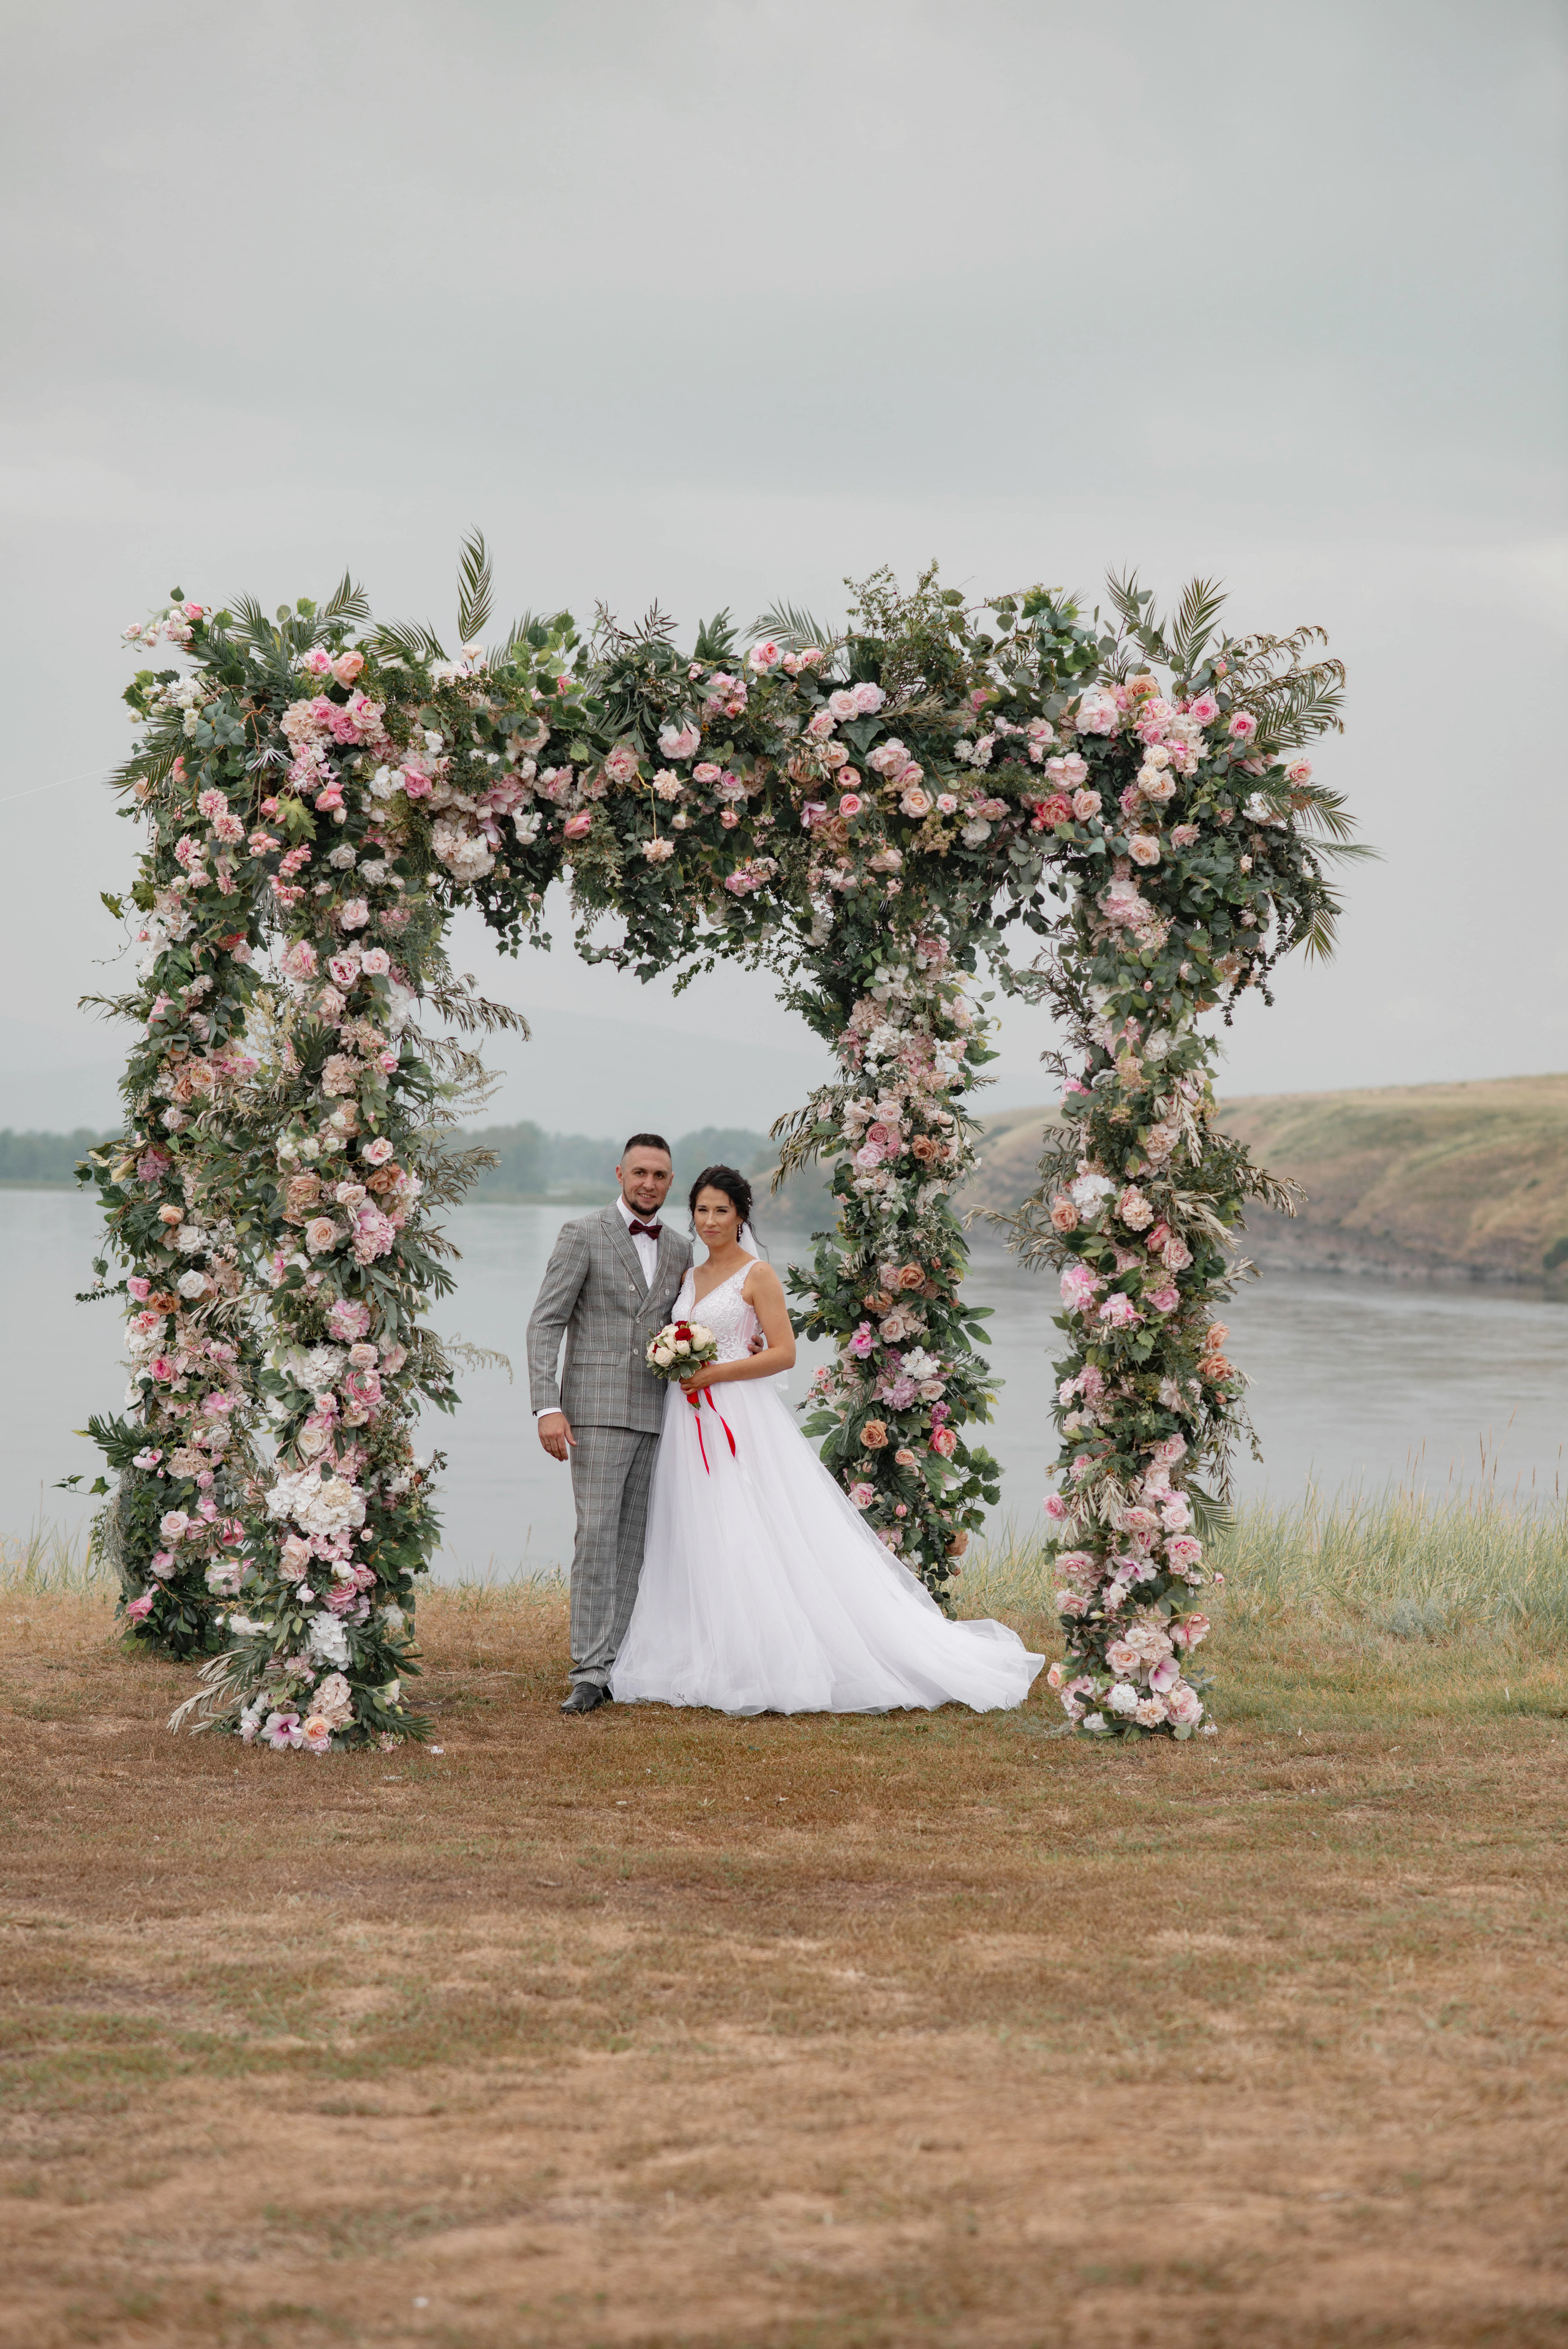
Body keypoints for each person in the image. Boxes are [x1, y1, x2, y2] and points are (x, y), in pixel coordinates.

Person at [609, 1166, 1045, 1716]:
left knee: (749, 1522)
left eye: (722, 1210)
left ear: (741, 1215)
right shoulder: (689, 1277)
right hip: (688, 1415)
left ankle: (765, 1654)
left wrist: (715, 1372)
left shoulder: (757, 1273)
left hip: (738, 1414)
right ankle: (704, 1647)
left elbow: (784, 1352)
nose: (711, 1220)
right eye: (701, 1210)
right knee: (696, 1524)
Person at [526, 1134, 693, 1713]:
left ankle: (620, 1661)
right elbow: (546, 1322)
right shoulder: (582, 1233)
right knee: (596, 1535)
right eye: (641, 1172)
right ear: (620, 1172)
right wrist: (548, 1405)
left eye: (661, 1175)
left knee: (636, 1542)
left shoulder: (679, 1248)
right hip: (593, 1412)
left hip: (659, 1413)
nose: (650, 1183)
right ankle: (588, 1671)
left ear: (671, 1182)